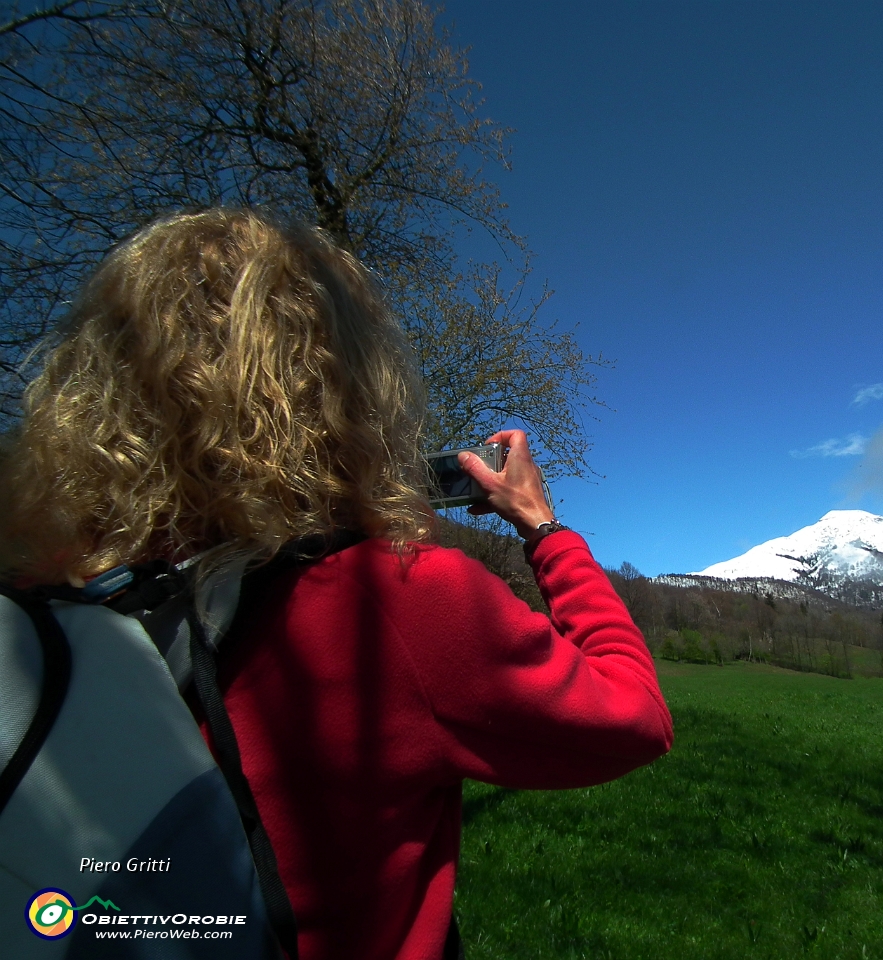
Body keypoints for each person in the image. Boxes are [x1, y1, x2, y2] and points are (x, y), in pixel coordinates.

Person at [0, 209, 673, 959]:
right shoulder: (392, 601)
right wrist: (545, 532)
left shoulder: (46, 597)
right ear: (348, 383)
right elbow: (635, 717)